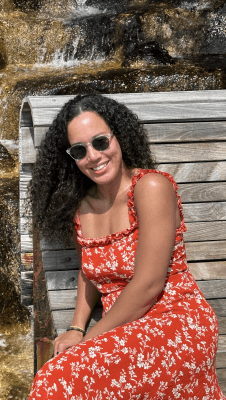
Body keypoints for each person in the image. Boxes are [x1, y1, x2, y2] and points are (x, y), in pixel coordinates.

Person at [27, 93, 225, 399]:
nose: (93, 156)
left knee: (54, 382)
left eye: (100, 142)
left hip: (175, 323)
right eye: (80, 150)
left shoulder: (151, 187)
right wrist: (77, 328)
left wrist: (89, 341)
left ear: (119, 136)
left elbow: (149, 284)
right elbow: (88, 272)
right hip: (122, 330)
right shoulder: (82, 207)